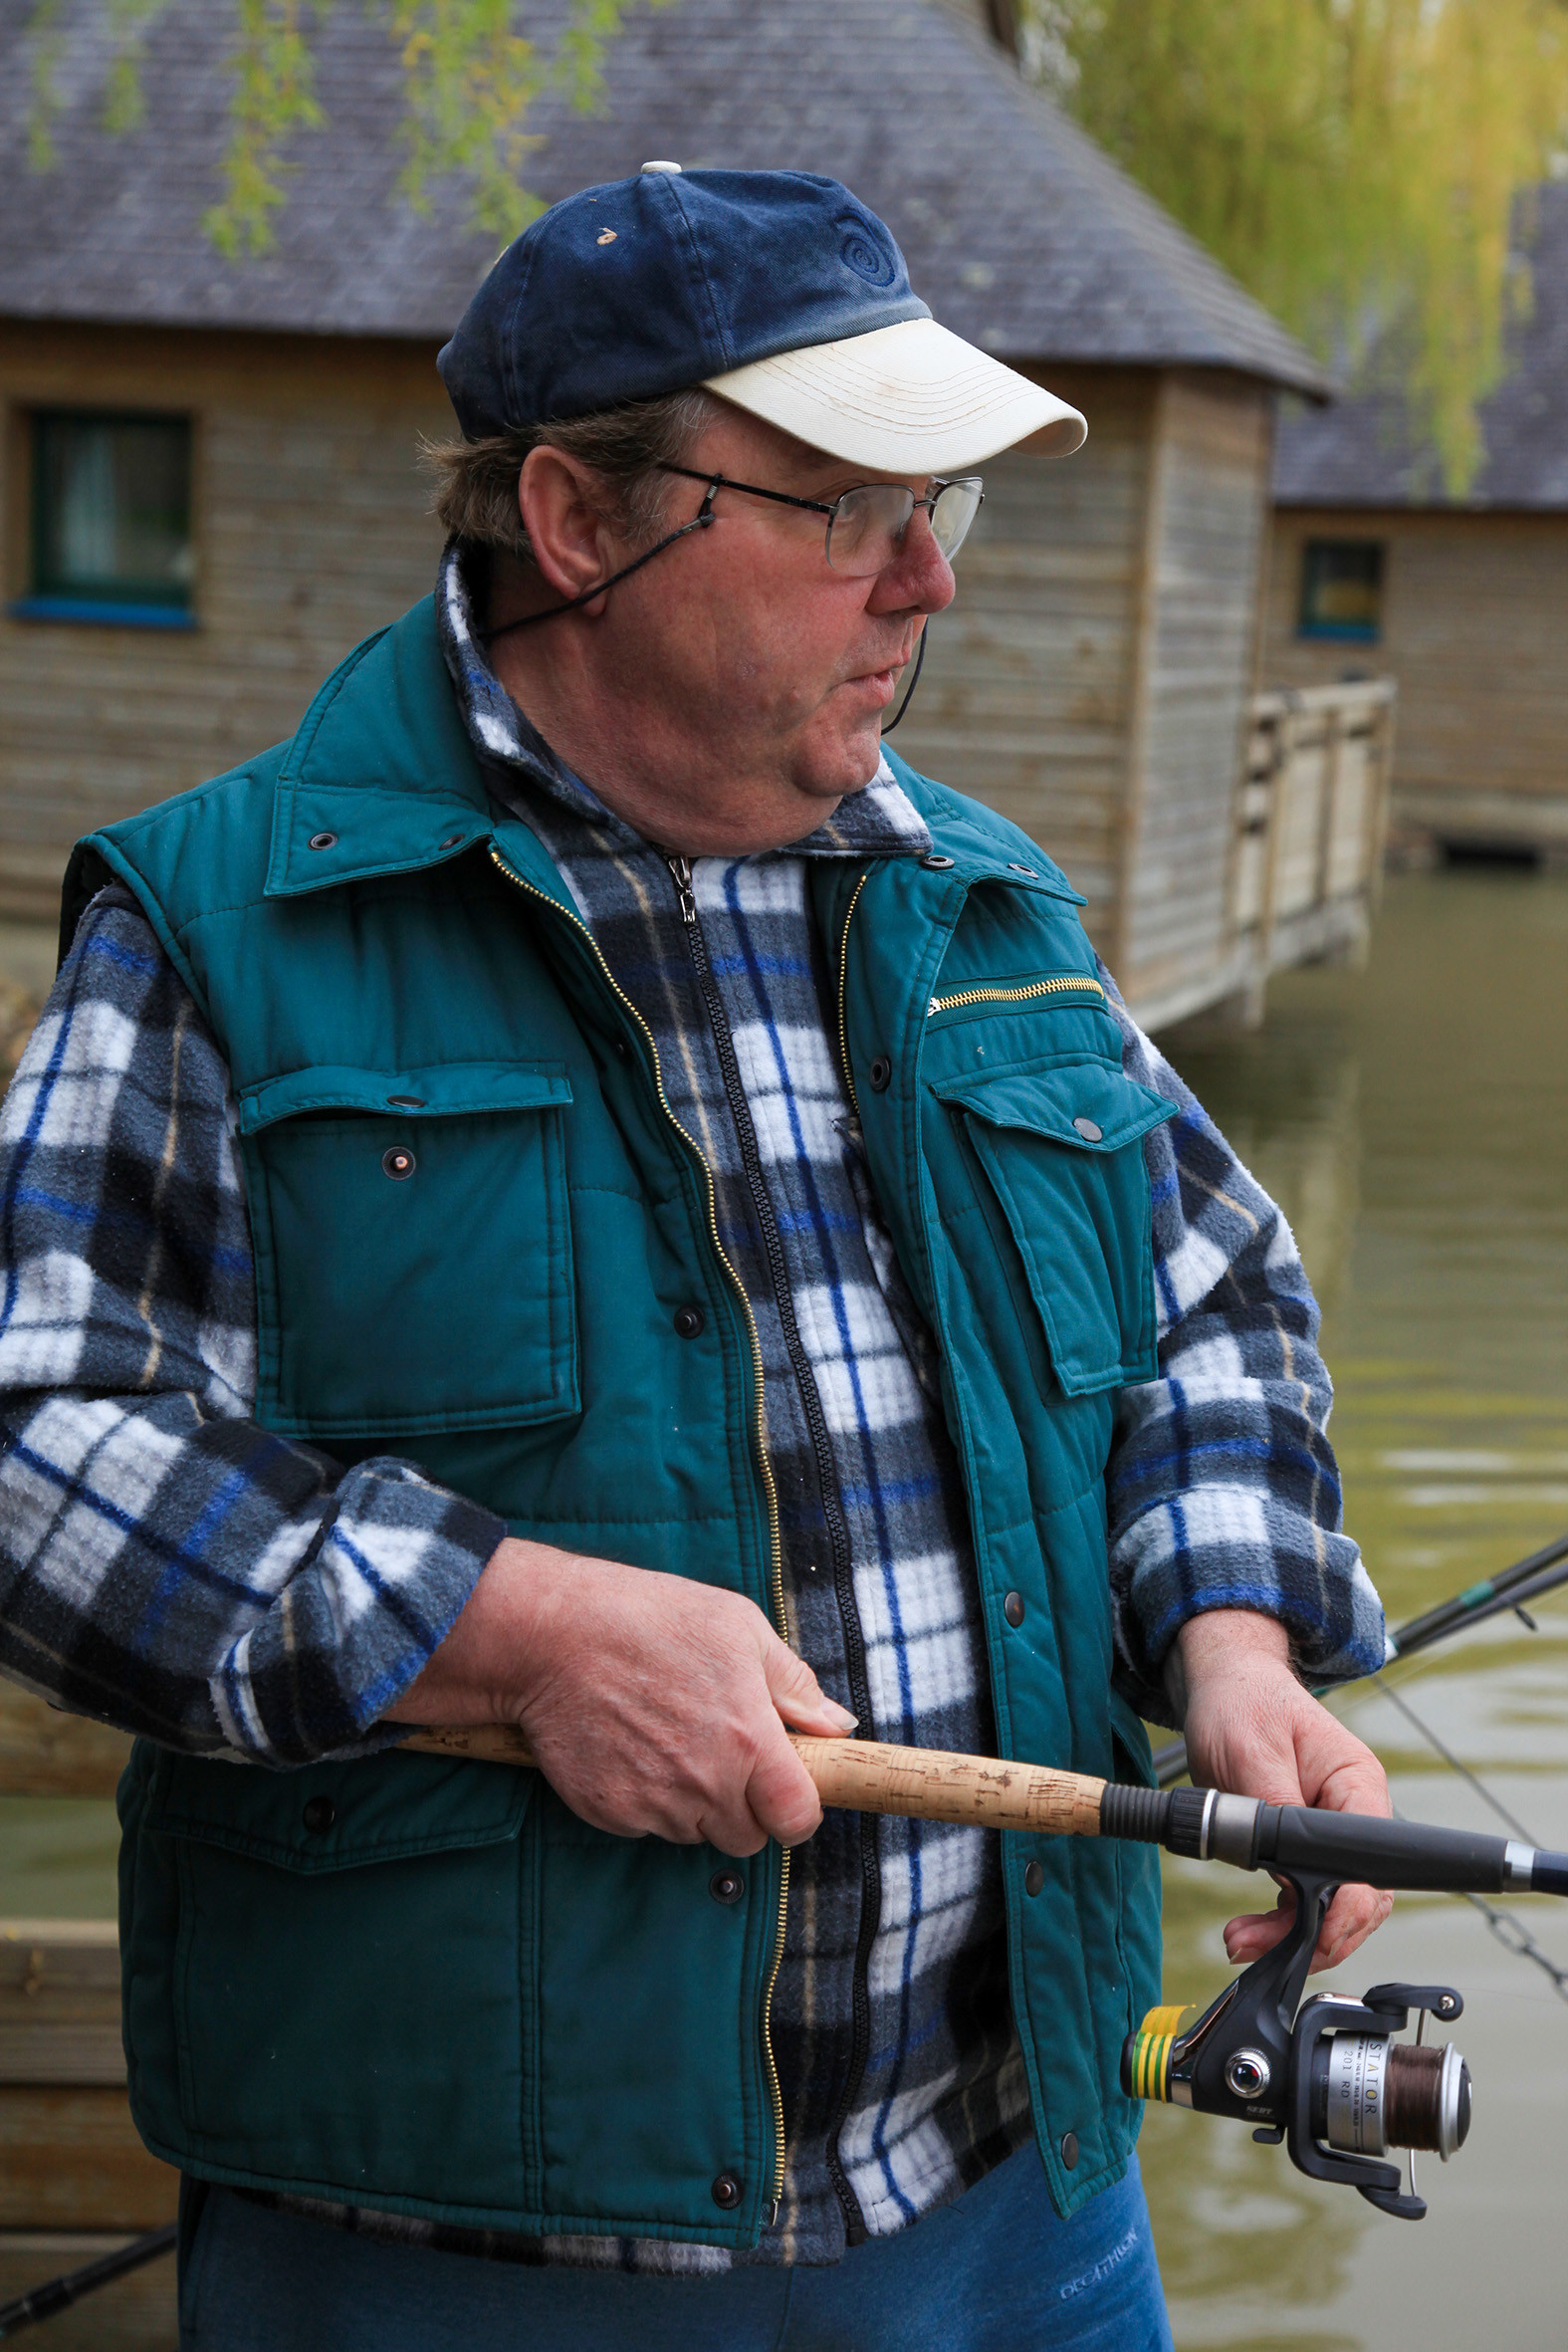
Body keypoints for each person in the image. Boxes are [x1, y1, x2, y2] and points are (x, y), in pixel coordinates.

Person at [0, 167, 1390, 2351]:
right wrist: (505, 1623)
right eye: (844, 507)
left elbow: (1211, 1289)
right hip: (449, 2252)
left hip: (1022, 2200)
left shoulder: (989, 906)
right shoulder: (215, 928)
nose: (924, 578)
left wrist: (1221, 1637)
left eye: (932, 506)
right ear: (576, 518)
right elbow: (36, 1444)